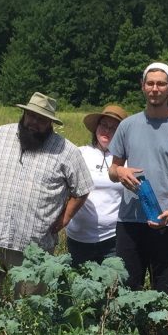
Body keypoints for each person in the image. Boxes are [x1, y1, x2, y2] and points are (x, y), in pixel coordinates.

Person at [0, 92, 92, 293]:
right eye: (31, 116)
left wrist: (65, 218)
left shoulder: (66, 151)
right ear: (24, 114)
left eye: (41, 119)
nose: (34, 122)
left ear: (50, 122)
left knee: (26, 310)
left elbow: (82, 189)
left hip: (33, 249)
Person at [109, 62, 168, 293]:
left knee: (163, 289)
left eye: (161, 83)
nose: (155, 88)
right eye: (150, 83)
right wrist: (120, 172)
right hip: (130, 221)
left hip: (167, 222)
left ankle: (160, 330)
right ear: (142, 87)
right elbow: (113, 170)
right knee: (127, 288)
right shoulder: (127, 126)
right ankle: (128, 330)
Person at [65, 104, 127, 266]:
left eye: (114, 128)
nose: (107, 131)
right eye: (104, 125)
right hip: (78, 237)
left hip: (113, 238)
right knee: (80, 287)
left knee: (111, 288)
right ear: (96, 127)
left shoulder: (126, 160)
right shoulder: (79, 153)